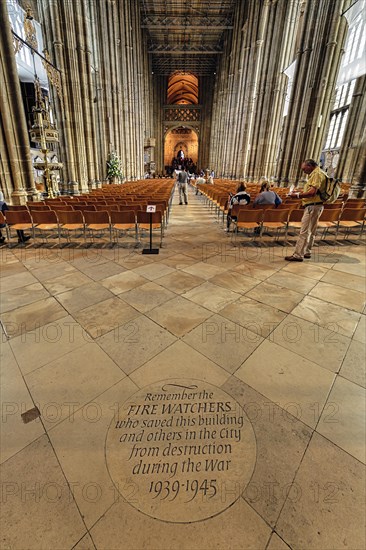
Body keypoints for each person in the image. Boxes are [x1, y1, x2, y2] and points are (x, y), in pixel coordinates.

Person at [285, 158, 327, 261]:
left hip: (312, 206)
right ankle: (307, 252)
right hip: (317, 205)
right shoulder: (320, 173)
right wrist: (299, 191)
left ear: (309, 166)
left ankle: (298, 255)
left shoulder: (316, 174)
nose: (304, 172)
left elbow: (312, 193)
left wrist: (297, 195)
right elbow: (312, 190)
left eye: (304, 169)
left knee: (304, 231)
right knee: (312, 230)